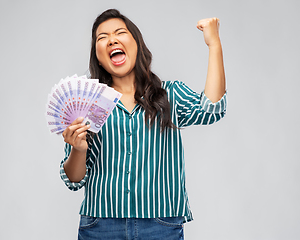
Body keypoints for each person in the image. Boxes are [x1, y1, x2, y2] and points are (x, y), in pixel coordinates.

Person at [60, 9, 227, 240]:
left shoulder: (169, 95)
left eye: (120, 33)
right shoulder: (86, 103)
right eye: (102, 37)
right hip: (101, 225)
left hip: (161, 224)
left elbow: (212, 109)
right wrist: (78, 149)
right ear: (97, 55)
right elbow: (74, 179)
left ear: (137, 43)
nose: (112, 40)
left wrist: (214, 44)